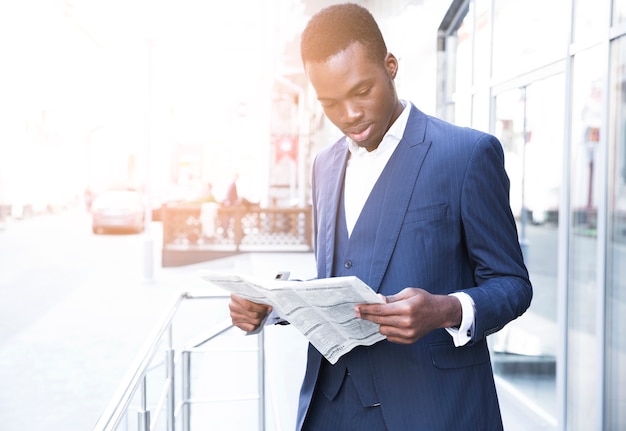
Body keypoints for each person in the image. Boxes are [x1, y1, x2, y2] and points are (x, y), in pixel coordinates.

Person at [228, 3, 532, 430]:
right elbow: (341, 278)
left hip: (432, 409)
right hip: (329, 408)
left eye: (361, 91)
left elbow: (513, 285)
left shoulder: (466, 155)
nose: (348, 115)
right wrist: (273, 304)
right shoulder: (324, 165)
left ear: (390, 66)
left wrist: (447, 309)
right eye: (330, 103)